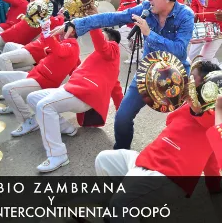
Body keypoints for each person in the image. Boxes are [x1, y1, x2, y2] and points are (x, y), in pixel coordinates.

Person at [54, 0, 194, 150]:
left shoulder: (185, 15)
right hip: (148, 71)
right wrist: (76, 23)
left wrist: (150, 34)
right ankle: (120, 154)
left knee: (190, 118)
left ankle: (185, 157)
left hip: (176, 73)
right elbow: (114, 17)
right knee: (122, 117)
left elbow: (180, 50)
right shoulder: (146, 9)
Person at [95, 61, 222, 219]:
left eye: (192, 78)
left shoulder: (213, 116)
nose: (186, 80)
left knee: (120, 205)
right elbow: (211, 160)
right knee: (104, 159)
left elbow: (211, 120)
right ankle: (127, 208)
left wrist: (215, 189)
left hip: (168, 177)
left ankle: (121, 210)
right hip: (145, 161)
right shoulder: (185, 106)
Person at [27, 27, 123, 172]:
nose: (98, 39)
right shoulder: (105, 61)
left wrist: (92, 22)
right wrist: (48, 32)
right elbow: (116, 90)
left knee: (44, 106)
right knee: (32, 97)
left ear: (111, 40)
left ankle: (57, 155)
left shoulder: (113, 48)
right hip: (71, 88)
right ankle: (66, 127)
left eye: (102, 35)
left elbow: (101, 44)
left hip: (82, 93)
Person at [0, 18, 80, 138]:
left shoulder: (71, 45)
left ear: (71, 32)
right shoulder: (66, 44)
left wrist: (46, 32)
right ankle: (13, 105)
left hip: (42, 81)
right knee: (0, 76)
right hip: (35, 75)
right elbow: (54, 49)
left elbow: (60, 51)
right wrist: (46, 33)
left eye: (62, 28)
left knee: (8, 90)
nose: (59, 30)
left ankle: (29, 120)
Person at [113, 0, 142, 64]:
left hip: (138, 29)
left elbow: (118, 17)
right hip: (143, 26)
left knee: (116, 34)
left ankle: (135, 56)